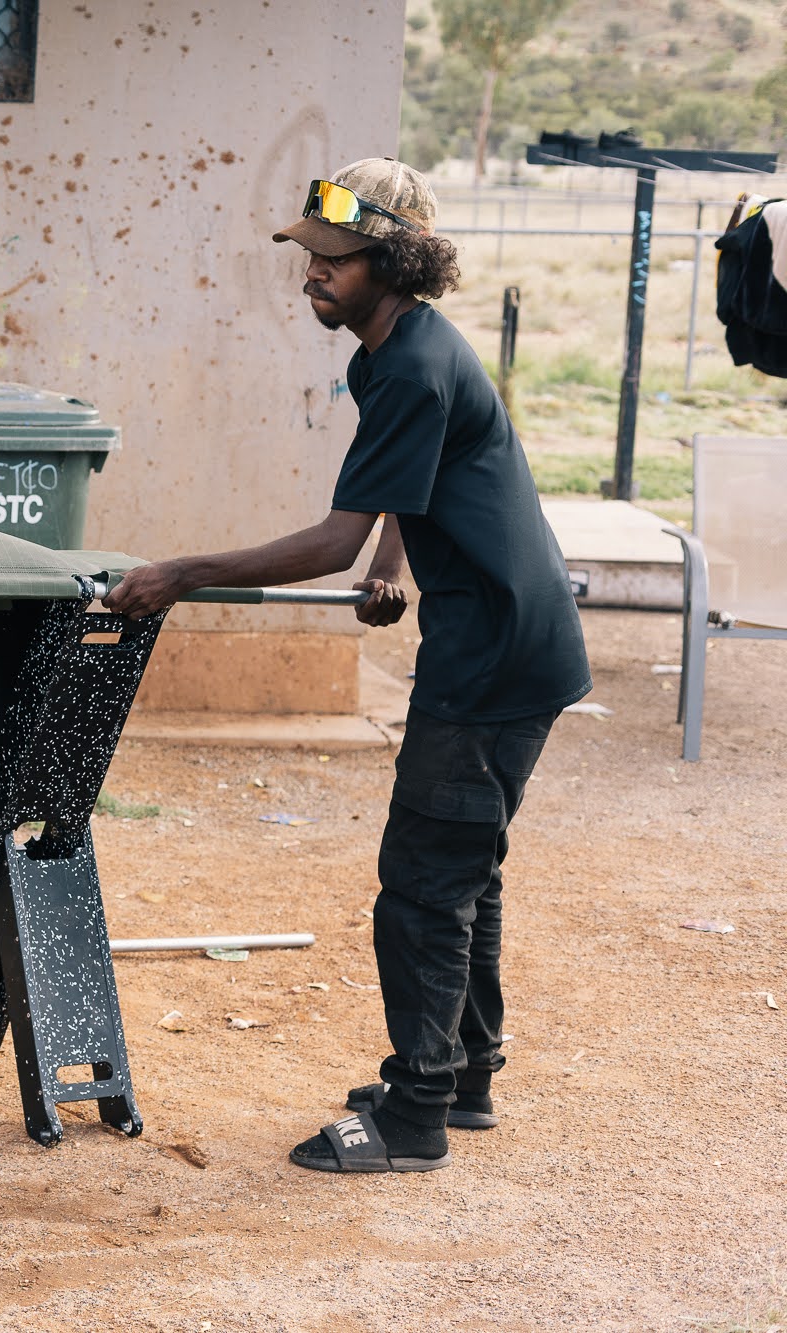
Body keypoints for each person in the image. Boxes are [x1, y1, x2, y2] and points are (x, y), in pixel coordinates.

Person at [103, 157, 590, 1174]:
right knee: (463, 871)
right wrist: (390, 565)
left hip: (491, 655)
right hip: (507, 638)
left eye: (336, 257)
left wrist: (180, 573)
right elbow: (410, 494)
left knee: (421, 883)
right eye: (308, 253)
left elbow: (327, 538)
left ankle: (412, 1117)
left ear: (396, 259)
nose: (311, 273)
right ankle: (460, 1078)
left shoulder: (410, 363)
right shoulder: (389, 354)